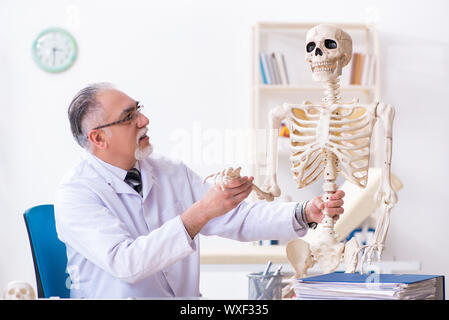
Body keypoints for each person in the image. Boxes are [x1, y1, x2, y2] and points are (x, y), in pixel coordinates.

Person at [54, 83, 345, 298]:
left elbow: (236, 217)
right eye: (129, 116)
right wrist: (201, 212)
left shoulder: (169, 171)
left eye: (138, 110)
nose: (144, 121)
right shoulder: (76, 194)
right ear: (99, 138)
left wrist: (304, 212)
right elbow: (126, 263)